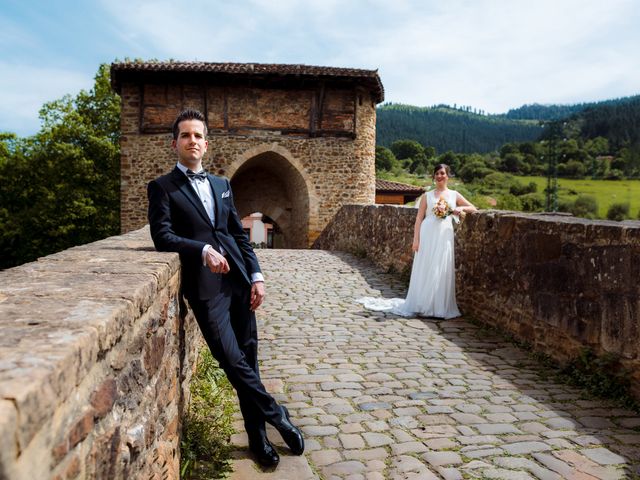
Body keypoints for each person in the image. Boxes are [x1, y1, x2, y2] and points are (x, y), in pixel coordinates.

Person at [147, 109, 303, 468]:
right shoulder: (162, 187)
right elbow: (162, 236)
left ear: (206, 143)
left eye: (198, 135)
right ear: (175, 143)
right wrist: (201, 250)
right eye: (185, 135)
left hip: (240, 283)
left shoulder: (222, 185)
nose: (193, 141)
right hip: (206, 288)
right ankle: (277, 415)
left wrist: (258, 275)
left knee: (249, 359)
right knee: (230, 360)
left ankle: (259, 439)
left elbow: (236, 233)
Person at [358, 163, 476, 318]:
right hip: (428, 233)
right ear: (434, 176)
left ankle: (438, 307)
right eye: (437, 173)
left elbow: (473, 208)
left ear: (448, 176)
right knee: (426, 267)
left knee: (441, 267)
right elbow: (419, 218)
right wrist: (416, 240)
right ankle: (422, 304)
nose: (439, 176)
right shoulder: (427, 196)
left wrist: (459, 209)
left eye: (442, 173)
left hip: (444, 235)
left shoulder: (454, 195)